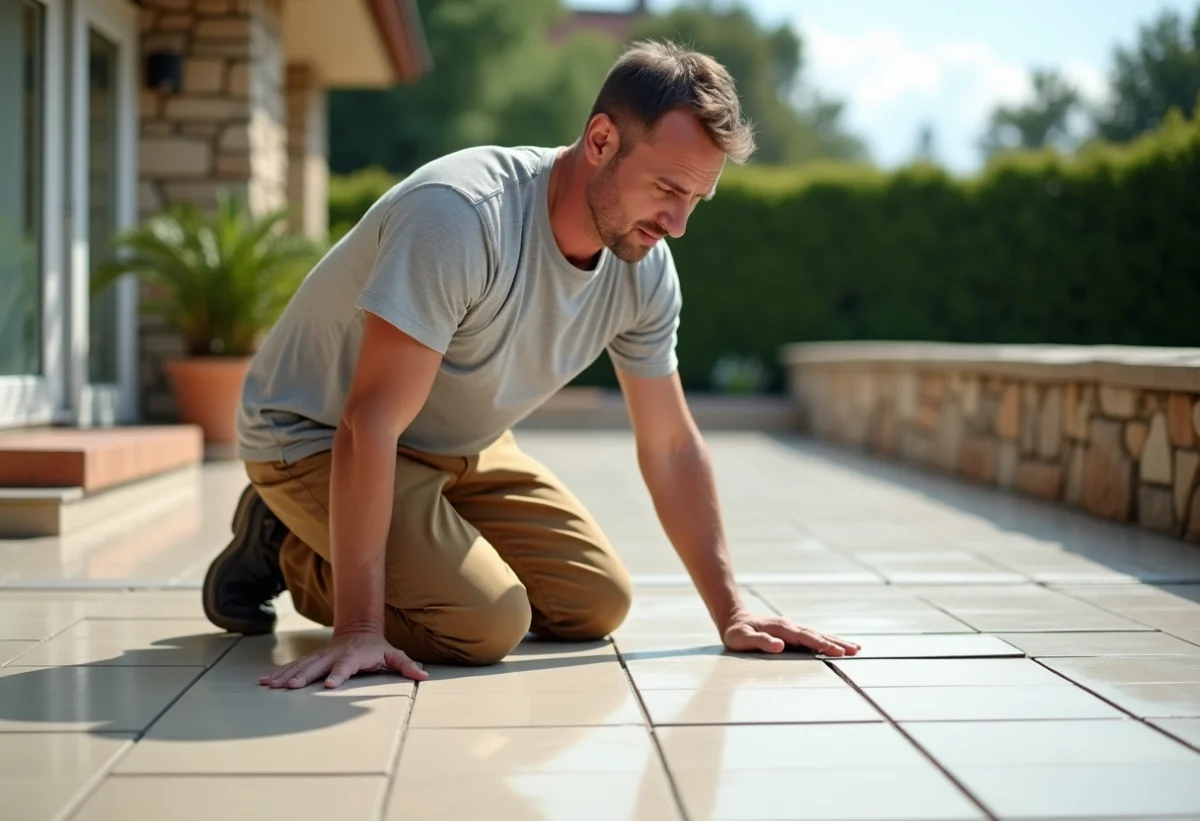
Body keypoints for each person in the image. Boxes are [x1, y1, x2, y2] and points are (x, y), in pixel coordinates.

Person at [202, 40, 861, 691]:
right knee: (484, 624)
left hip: (460, 443)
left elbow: (669, 445)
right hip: (318, 435)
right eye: (666, 187)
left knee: (594, 603)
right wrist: (359, 627)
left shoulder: (644, 269)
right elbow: (368, 421)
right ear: (600, 140)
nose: (678, 223)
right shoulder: (461, 217)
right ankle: (283, 545)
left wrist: (732, 611)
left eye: (696, 199)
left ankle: (350, 539)